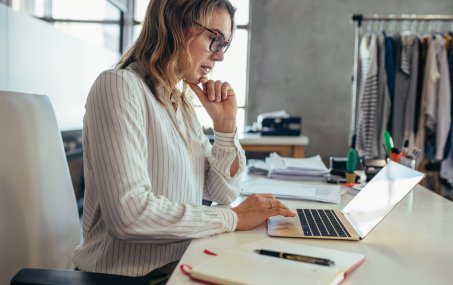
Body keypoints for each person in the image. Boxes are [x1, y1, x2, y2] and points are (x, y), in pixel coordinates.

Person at [71, 0, 295, 283]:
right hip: (129, 277)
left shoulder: (180, 102)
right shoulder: (118, 86)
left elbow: (221, 192)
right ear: (174, 26)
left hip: (181, 265)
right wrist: (233, 219)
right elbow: (130, 216)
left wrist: (225, 129)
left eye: (225, 44)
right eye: (215, 40)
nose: (220, 57)